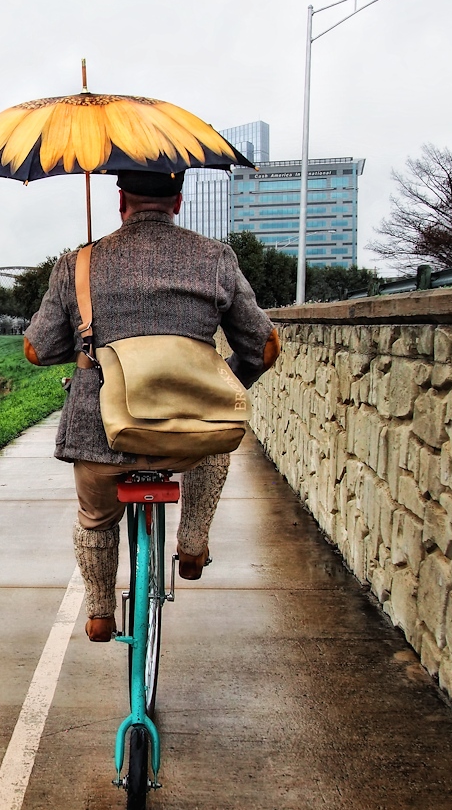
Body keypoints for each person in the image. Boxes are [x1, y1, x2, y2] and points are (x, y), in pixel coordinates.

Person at [24, 170, 280, 641]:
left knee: (96, 519)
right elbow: (264, 347)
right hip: (186, 430)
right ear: (178, 201)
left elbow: (38, 350)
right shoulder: (216, 259)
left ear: (121, 199)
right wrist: (228, 384)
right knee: (211, 446)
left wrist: (89, 340)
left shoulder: (75, 264)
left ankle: (101, 611)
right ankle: (193, 542)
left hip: (100, 433)